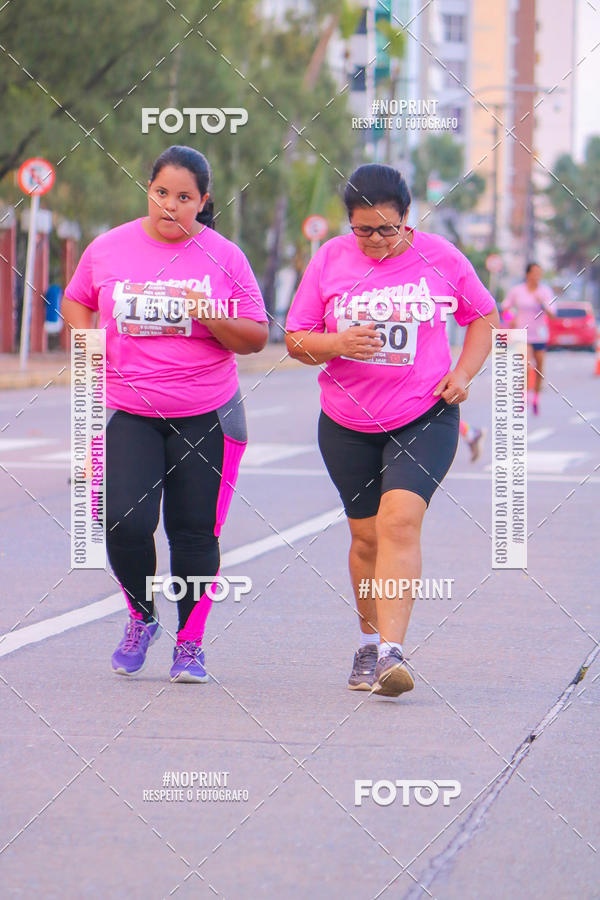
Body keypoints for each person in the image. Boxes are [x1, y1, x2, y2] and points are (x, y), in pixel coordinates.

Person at [285, 164, 499, 697]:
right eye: (364, 230)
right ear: (349, 224)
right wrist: (337, 344)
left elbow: (484, 316)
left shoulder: (443, 257)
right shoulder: (330, 259)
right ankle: (368, 639)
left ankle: (392, 654)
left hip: (425, 414)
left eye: (388, 229)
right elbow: (295, 339)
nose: (376, 241)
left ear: (408, 217)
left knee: (399, 522)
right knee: (365, 537)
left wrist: (464, 373)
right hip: (346, 421)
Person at [62, 145, 269, 682]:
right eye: (160, 193)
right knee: (122, 523)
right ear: (147, 191)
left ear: (203, 201)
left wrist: (209, 313)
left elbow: (255, 335)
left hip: (207, 413)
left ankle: (190, 643)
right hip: (127, 409)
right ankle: (141, 616)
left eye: (184, 197)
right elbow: (78, 298)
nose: (170, 206)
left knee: (193, 532)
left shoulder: (225, 256)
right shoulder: (109, 247)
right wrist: (90, 342)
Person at [502, 263, 555, 415]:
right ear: (528, 274)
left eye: (539, 273)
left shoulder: (545, 291)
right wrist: (511, 319)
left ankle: (536, 398)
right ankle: (522, 397)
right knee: (525, 366)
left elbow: (553, 314)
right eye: (534, 272)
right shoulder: (517, 291)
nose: (537, 276)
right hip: (522, 333)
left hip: (539, 334)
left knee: (539, 368)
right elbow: (506, 308)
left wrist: (542, 304)